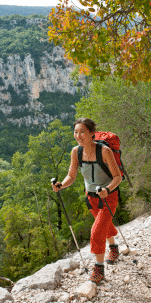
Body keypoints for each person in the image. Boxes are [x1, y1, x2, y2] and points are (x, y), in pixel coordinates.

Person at [51, 118, 122, 284]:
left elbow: (118, 177)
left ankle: (99, 269)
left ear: (91, 134)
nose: (78, 135)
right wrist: (61, 185)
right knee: (105, 225)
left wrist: (107, 190)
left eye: (82, 131)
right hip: (91, 197)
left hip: (108, 196)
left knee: (97, 231)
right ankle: (114, 248)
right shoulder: (76, 152)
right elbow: (71, 176)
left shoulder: (104, 151)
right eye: (75, 132)